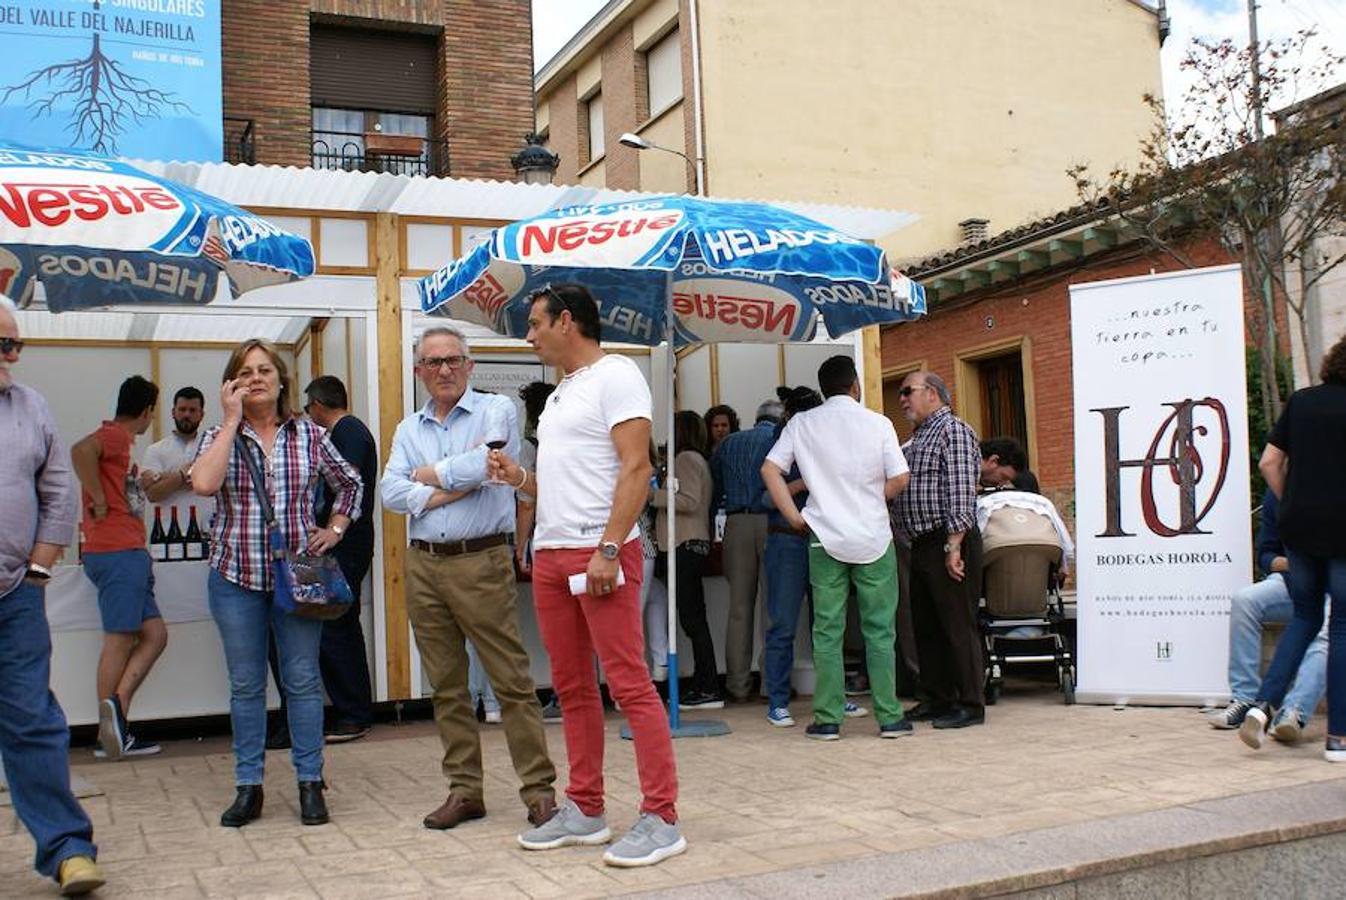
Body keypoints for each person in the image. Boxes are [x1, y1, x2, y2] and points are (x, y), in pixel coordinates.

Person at [493, 283, 685, 867]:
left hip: (599, 553)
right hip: (552, 554)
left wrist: (607, 549)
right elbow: (565, 483)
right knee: (573, 688)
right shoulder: (557, 398)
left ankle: (662, 817)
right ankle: (586, 809)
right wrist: (519, 480)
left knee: (628, 684)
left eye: (534, 324)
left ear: (566, 322)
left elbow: (638, 468)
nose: (528, 335)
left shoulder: (618, 375)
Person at [380, 324, 558, 831]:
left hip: (480, 561)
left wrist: (425, 475)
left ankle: (540, 792)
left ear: (470, 364)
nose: (444, 369)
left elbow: (490, 464)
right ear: (419, 371)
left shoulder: (496, 409)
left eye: (453, 359)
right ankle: (465, 791)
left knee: (511, 682)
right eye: (433, 362)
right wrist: (445, 485)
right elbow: (390, 494)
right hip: (423, 564)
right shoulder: (407, 428)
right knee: (447, 687)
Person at [190, 338, 363, 827]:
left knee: (303, 682)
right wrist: (229, 420)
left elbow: (350, 483)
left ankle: (310, 782)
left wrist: (335, 528)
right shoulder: (218, 435)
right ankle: (249, 787)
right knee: (246, 686)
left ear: (282, 379)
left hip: (298, 580)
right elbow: (203, 484)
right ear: (232, 383)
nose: (257, 378)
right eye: (246, 372)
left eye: (265, 369)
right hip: (234, 576)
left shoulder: (308, 434)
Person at [0, 295, 105, 895]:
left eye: (16, 344)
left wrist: (41, 565)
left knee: (32, 720)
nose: (14, 355)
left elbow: (59, 486)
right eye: (3, 343)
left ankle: (68, 849)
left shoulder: (30, 406)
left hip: (14, 594)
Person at [763, 356, 911, 740]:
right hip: (874, 537)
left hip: (823, 536)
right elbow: (900, 477)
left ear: (824, 386)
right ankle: (890, 716)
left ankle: (828, 719)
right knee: (879, 629)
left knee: (826, 630)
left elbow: (770, 471)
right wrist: (872, 499)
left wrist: (794, 517)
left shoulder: (801, 423)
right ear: (855, 384)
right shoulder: (879, 423)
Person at [1241, 334, 1346, 762]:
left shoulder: (1301, 402)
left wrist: (1291, 505)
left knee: (1303, 617)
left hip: (1299, 530)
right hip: (1343, 532)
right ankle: (1338, 738)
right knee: (1340, 627)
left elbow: (1268, 462)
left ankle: (1262, 706)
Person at [70, 375, 167, 760]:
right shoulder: (112, 436)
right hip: (116, 551)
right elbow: (80, 451)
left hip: (125, 551)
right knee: (120, 638)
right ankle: (105, 734)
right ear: (146, 412)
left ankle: (117, 712)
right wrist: (97, 499)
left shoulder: (123, 445)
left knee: (155, 634)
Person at [890, 371, 986, 729]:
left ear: (931, 393)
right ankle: (936, 697)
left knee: (957, 625)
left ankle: (969, 703)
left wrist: (954, 545)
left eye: (907, 392)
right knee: (926, 626)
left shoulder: (953, 431)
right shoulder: (916, 438)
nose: (901, 400)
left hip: (948, 540)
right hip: (921, 543)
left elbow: (962, 490)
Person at [1209, 489, 1326, 742]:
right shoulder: (1276, 493)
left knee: (1327, 628)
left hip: (1333, 589)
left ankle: (1293, 712)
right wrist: (1295, 564)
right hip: (1292, 583)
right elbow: (1266, 554)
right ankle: (1244, 700)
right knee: (1245, 600)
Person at [303, 376, 378, 743]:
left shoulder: (347, 434)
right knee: (339, 625)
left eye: (308, 408)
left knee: (337, 626)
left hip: (343, 545)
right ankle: (352, 709)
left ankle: (353, 712)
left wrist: (330, 531)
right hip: (343, 544)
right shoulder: (352, 432)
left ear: (318, 404)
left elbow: (346, 489)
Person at [710, 398, 783, 701]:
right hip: (771, 524)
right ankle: (770, 685)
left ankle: (737, 685)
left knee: (738, 609)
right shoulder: (778, 439)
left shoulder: (728, 443)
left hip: (736, 524)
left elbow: (714, 489)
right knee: (771, 607)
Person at [760, 385, 823, 727]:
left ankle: (833, 696)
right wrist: (801, 484)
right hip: (786, 541)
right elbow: (764, 500)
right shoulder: (778, 443)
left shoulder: (820, 441)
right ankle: (778, 701)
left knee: (826, 623)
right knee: (783, 624)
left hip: (820, 539)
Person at [653, 411, 720, 709]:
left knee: (692, 619)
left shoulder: (686, 460)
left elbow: (690, 501)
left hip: (684, 543)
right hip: (689, 544)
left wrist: (651, 495)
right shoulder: (695, 459)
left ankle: (707, 687)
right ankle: (707, 684)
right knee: (693, 618)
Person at [516, 380, 563, 721]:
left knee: (558, 630)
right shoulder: (566, 442)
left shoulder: (531, 447)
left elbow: (526, 504)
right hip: (576, 536)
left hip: (546, 539)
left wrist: (520, 547)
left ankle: (563, 696)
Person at [141, 386, 210, 516]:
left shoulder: (212, 448)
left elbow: (211, 484)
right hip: (167, 531)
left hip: (206, 530)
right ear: (173, 412)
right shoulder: (155, 450)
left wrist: (163, 477)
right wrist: (182, 476)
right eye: (182, 409)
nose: (187, 415)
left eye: (192, 410)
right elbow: (152, 494)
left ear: (201, 415)